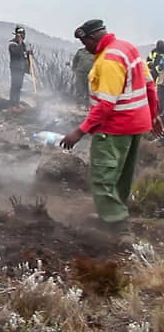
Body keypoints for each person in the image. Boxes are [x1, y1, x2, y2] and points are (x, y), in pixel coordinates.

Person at [61, 20, 163, 235]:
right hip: (137, 125)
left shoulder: (108, 60)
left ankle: (114, 223)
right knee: (122, 174)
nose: (84, 47)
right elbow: (150, 85)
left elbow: (106, 104)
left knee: (102, 175)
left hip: (114, 127)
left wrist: (80, 131)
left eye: (84, 42)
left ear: (92, 38)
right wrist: (153, 115)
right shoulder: (128, 48)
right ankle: (116, 211)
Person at [8, 25, 32, 106]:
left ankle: (16, 103)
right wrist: (20, 43)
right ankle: (13, 103)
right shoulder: (12, 44)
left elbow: (24, 57)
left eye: (23, 35)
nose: (23, 36)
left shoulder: (23, 45)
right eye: (21, 35)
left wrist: (29, 55)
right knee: (15, 86)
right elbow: (16, 53)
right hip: (15, 68)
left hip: (21, 69)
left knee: (19, 86)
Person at [147, 40, 164, 114]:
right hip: (155, 74)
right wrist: (150, 65)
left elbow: (160, 68)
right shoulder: (154, 51)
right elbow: (148, 60)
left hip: (160, 77)